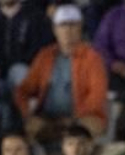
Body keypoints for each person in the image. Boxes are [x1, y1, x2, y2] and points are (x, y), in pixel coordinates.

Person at [16, 5, 107, 145]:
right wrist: (27, 112)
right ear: (55, 29)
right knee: (31, 126)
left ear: (80, 27)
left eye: (72, 25)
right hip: (48, 118)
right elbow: (24, 90)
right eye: (62, 25)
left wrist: (75, 118)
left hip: (81, 117)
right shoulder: (45, 55)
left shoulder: (92, 57)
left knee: (90, 126)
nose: (67, 30)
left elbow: (96, 96)